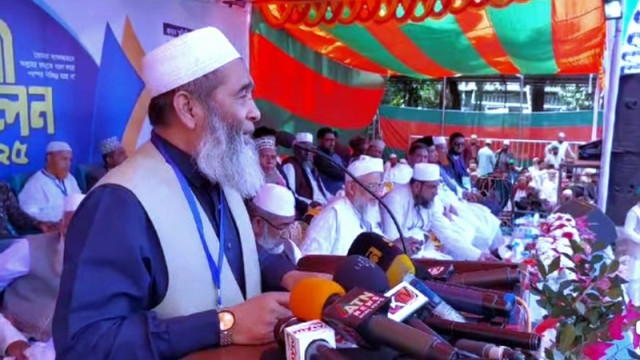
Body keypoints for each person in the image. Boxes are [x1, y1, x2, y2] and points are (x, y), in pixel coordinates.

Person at [52, 27, 319, 359]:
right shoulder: (118, 203)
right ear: (188, 109)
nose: (255, 112)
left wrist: (290, 276)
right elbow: (87, 343)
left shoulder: (220, 173)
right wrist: (225, 325)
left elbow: (235, 259)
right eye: (242, 95)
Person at [0, 194, 84, 360]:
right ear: (62, 224)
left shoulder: (108, 265)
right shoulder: (29, 249)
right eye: (71, 225)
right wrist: (10, 340)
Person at [300, 155, 385, 255]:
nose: (378, 193)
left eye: (379, 186)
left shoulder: (366, 214)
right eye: (372, 186)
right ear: (351, 188)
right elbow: (308, 259)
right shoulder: (334, 214)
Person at [19, 141, 82, 222]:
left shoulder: (70, 179)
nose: (68, 164)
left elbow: (79, 202)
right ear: (49, 158)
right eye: (64, 159)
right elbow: (28, 214)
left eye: (70, 160)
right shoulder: (36, 183)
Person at [248, 184, 302, 265]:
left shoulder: (290, 249)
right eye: (283, 226)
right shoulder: (243, 251)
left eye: (291, 224)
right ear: (258, 223)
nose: (287, 235)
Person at [282, 132, 330, 206]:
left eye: (310, 149)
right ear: (296, 150)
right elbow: (289, 193)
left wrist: (337, 198)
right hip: (310, 209)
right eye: (304, 149)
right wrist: (310, 203)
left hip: (324, 206)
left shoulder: (311, 168)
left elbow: (324, 193)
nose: (308, 153)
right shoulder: (290, 166)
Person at [621, 187, 640, 304]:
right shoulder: (634, 212)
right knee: (635, 276)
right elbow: (628, 231)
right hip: (636, 249)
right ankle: (633, 303)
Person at [314, 127, 345, 195]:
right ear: (319, 141)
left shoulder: (336, 156)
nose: (332, 144)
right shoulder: (317, 156)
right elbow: (338, 174)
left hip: (341, 192)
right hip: (327, 195)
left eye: (333, 140)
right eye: (328, 140)